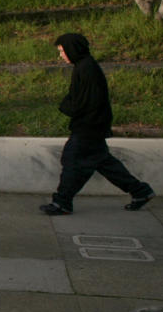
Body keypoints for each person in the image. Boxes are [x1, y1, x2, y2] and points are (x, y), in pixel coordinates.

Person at [39, 33, 155, 215]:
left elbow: (83, 102)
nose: (61, 55)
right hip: (93, 126)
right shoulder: (84, 66)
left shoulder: (86, 69)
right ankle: (140, 191)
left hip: (89, 127)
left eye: (62, 51)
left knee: (72, 161)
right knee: (104, 162)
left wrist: (66, 106)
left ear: (73, 49)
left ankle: (62, 202)